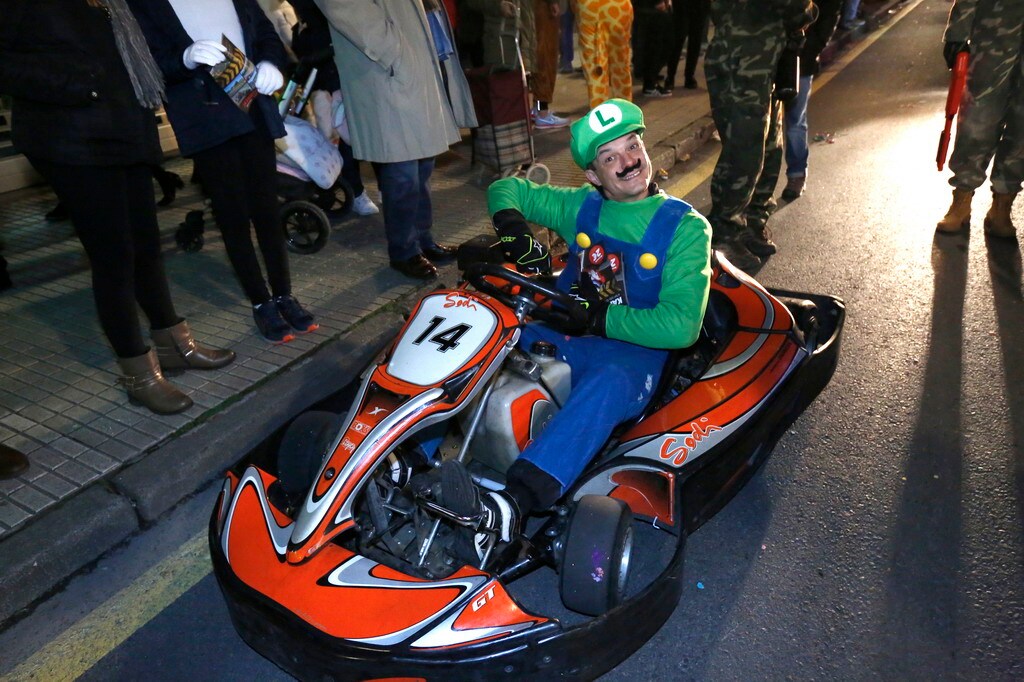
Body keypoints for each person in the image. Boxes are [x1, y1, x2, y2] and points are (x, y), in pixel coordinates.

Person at [469, 98, 711, 548]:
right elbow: (508, 188)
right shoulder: (582, 206)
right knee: (486, 332)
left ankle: (515, 502)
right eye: (610, 157)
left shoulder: (685, 228)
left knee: (607, 385)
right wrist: (512, 228)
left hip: (632, 353)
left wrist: (599, 317)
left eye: (632, 145)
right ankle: (408, 454)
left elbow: (681, 327)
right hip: (563, 328)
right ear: (593, 176)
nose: (629, 162)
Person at [0, 0, 236, 415]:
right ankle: (137, 374)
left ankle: (174, 346)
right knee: (114, 258)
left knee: (146, 248)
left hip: (124, 127)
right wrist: (76, 82)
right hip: (70, 138)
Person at [127, 0, 318, 344]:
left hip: (252, 105)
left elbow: (264, 35)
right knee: (232, 214)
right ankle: (261, 300)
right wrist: (184, 59)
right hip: (205, 116)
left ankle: (284, 294)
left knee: (266, 207)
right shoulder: (147, 5)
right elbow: (148, 63)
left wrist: (271, 63)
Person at [313, 0, 479, 280]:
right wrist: (395, 53)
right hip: (386, 68)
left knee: (423, 163)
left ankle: (422, 240)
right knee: (402, 169)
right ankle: (404, 251)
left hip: (412, 63)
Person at [704, 0, 818, 273]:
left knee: (769, 146)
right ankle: (723, 235)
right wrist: (809, 12)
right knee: (745, 151)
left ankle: (752, 222)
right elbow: (797, 8)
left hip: (765, 62)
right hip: (743, 62)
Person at [936, 0, 1024, 239]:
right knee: (978, 118)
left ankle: (1002, 206)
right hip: (993, 32)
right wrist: (957, 31)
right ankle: (961, 199)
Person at [286, 0, 381, 216]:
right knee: (341, 149)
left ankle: (379, 189)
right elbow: (302, 60)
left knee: (363, 144)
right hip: (323, 94)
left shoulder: (328, 21)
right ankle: (357, 194)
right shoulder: (301, 29)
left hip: (345, 89)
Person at [780, 0, 840, 201]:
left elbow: (829, 16)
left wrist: (809, 50)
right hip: (767, 58)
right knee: (765, 126)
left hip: (800, 60)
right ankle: (758, 189)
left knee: (795, 120)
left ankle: (796, 174)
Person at [573, 0, 635, 108]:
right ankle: (624, 114)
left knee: (594, 69)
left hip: (587, 6)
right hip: (619, 6)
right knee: (620, 66)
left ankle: (600, 117)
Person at [664, 0, 710, 92]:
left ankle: (689, 76)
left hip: (701, 5)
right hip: (682, 5)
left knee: (695, 41)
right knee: (678, 40)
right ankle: (670, 76)